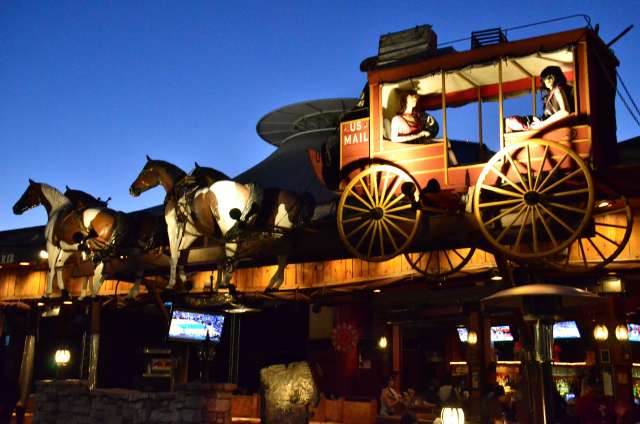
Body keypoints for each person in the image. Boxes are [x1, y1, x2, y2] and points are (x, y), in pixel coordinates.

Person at [505, 65, 572, 132]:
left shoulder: (558, 90)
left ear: (554, 77)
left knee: (509, 121)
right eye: (545, 78)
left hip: (548, 124)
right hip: (546, 122)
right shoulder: (554, 92)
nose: (547, 81)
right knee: (509, 122)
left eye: (549, 77)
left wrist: (542, 124)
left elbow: (564, 112)